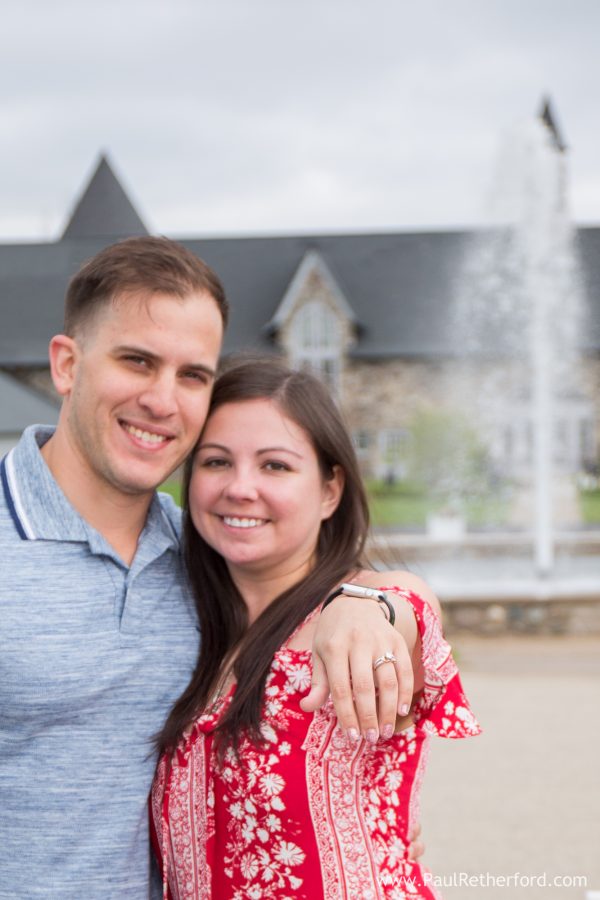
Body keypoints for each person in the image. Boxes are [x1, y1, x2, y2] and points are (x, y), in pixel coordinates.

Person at [0, 237, 421, 899]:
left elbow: (344, 592)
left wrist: (374, 601)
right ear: (66, 365)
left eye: (193, 375)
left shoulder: (204, 559)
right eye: (136, 361)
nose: (163, 401)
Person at [151, 359, 481, 899]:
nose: (240, 487)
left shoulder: (354, 616)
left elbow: (409, 606)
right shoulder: (189, 623)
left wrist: (367, 603)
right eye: (216, 462)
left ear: (330, 490)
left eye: (275, 466)